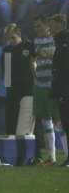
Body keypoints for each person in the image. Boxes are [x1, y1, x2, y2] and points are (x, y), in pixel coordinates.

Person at [33, 18, 63, 166]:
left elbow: (54, 54)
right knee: (46, 120)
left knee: (60, 120)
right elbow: (34, 59)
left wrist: (45, 53)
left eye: (39, 26)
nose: (37, 29)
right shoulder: (36, 41)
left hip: (52, 84)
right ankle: (52, 157)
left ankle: (66, 155)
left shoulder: (54, 39)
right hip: (39, 84)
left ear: (47, 26)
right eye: (35, 27)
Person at [3, 24, 35, 136]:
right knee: (11, 119)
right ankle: (10, 149)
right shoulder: (7, 50)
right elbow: (6, 72)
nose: (11, 41)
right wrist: (8, 90)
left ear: (19, 34)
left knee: (26, 123)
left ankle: (30, 149)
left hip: (27, 89)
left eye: (13, 37)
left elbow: (33, 65)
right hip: (12, 91)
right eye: (8, 38)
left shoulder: (29, 46)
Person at [50, 14, 69, 167]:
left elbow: (63, 69)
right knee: (65, 123)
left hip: (65, 89)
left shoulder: (64, 42)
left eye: (53, 25)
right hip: (62, 89)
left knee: (67, 122)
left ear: (60, 24)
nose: (51, 28)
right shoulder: (60, 42)